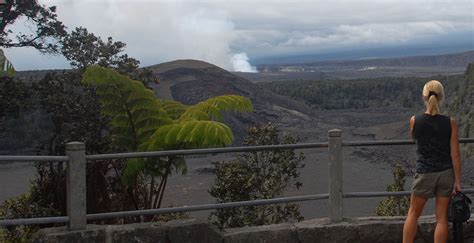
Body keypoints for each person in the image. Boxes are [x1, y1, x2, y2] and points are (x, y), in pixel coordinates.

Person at [403, 80, 462, 243]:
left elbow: (414, 137)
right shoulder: (451, 123)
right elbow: (455, 154)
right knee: (441, 219)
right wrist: (458, 181)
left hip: (424, 173)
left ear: (424, 97)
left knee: (413, 214)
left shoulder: (415, 120)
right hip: (445, 174)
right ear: (441, 97)